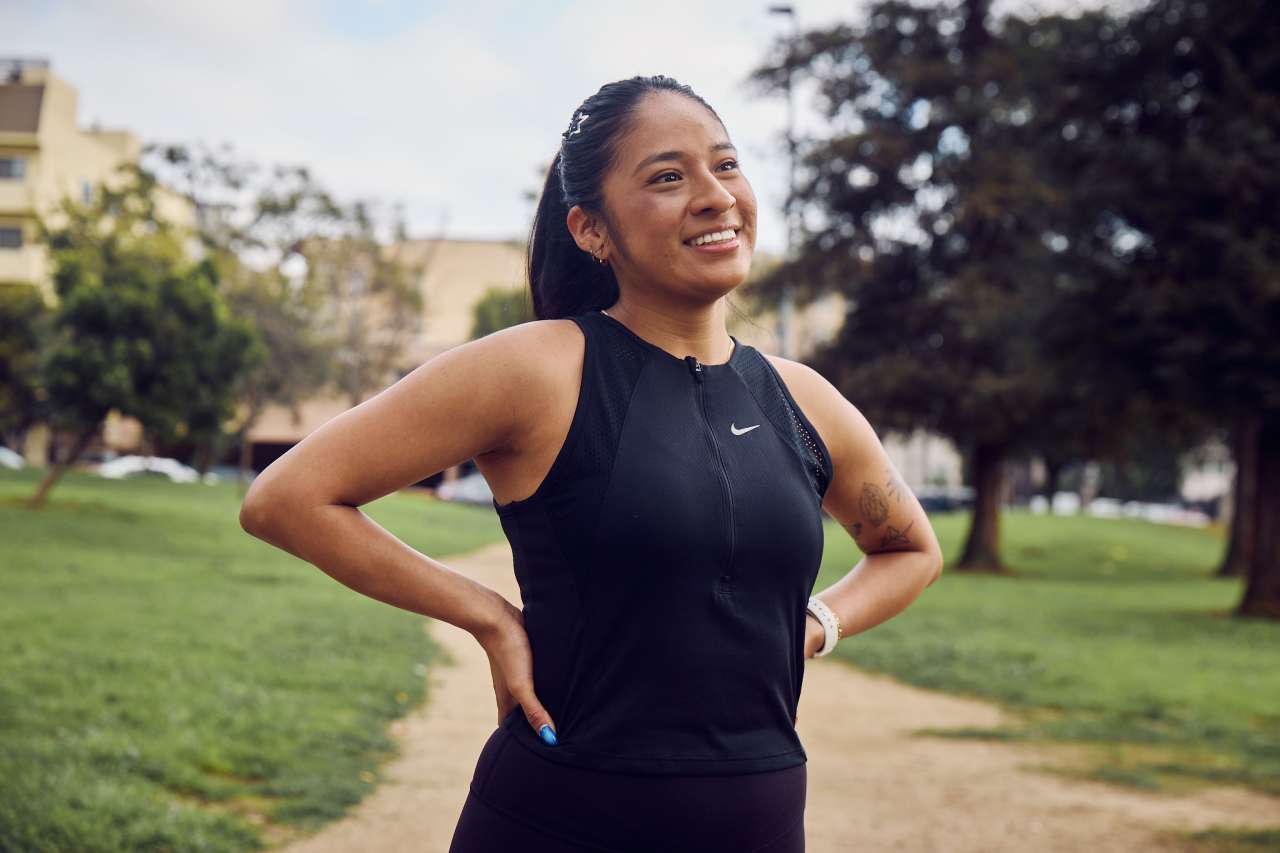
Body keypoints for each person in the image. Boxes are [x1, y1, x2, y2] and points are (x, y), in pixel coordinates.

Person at [240, 74, 944, 852]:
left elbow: (911, 548)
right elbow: (288, 497)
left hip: (761, 819)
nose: (715, 195)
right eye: (669, 177)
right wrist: (487, 616)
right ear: (591, 229)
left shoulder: (804, 400)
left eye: (727, 165)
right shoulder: (536, 369)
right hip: (562, 813)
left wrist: (814, 623)